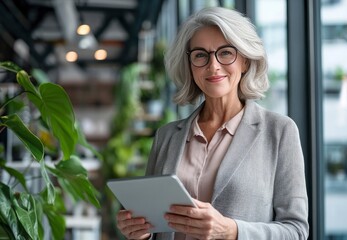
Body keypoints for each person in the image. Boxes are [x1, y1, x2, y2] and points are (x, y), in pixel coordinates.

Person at [116, 6, 309, 240]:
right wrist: (140, 233)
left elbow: (296, 231)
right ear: (190, 66)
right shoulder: (166, 136)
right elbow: (154, 226)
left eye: (225, 53)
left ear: (245, 61)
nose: (213, 65)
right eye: (200, 55)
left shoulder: (279, 131)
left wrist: (231, 231)